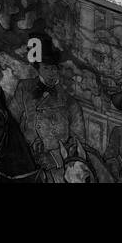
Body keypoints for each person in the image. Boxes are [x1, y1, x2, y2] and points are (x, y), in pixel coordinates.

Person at [7, 34, 86, 183]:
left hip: (58, 170)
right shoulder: (25, 88)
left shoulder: (70, 103)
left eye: (54, 69)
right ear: (38, 68)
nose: (51, 73)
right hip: (25, 161)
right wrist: (29, 143)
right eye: (46, 68)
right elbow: (11, 121)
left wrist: (55, 158)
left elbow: (79, 142)